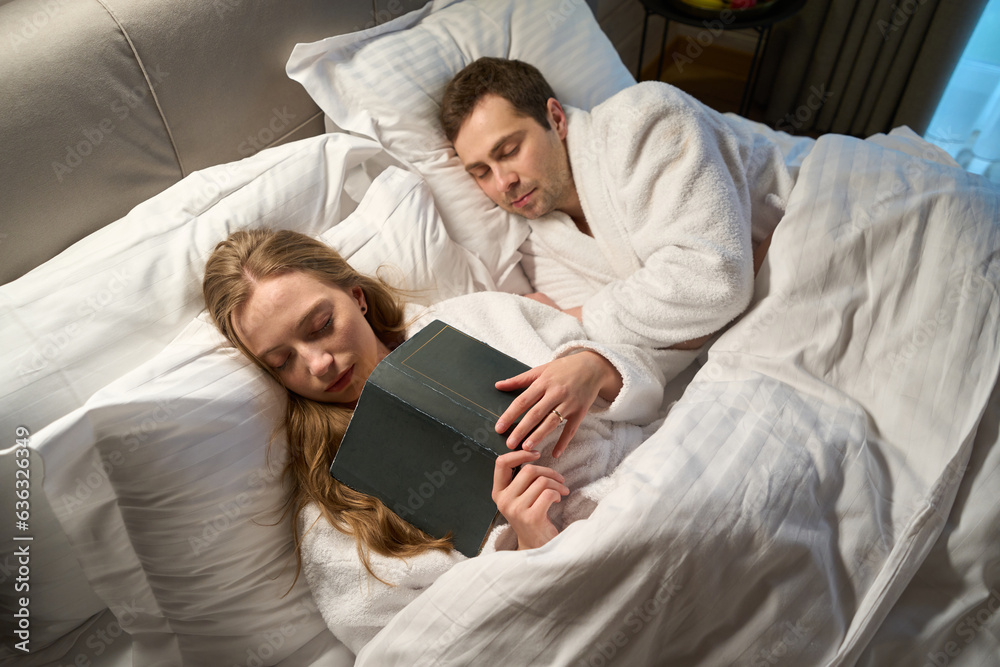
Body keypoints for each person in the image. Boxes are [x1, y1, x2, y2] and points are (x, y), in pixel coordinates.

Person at [202, 228, 667, 653]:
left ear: (357, 297)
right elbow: (402, 647)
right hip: (569, 612)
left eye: (321, 325)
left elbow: (651, 402)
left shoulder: (475, 317)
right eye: (283, 361)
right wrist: (525, 553)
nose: (318, 363)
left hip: (660, 498)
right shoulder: (332, 507)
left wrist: (594, 368)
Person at [440, 58, 794, 380]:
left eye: (510, 151)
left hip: (810, 236)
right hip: (758, 326)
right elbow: (619, 351)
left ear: (556, 118)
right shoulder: (537, 245)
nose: (504, 182)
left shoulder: (644, 118)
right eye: (482, 171)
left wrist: (577, 314)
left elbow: (715, 280)